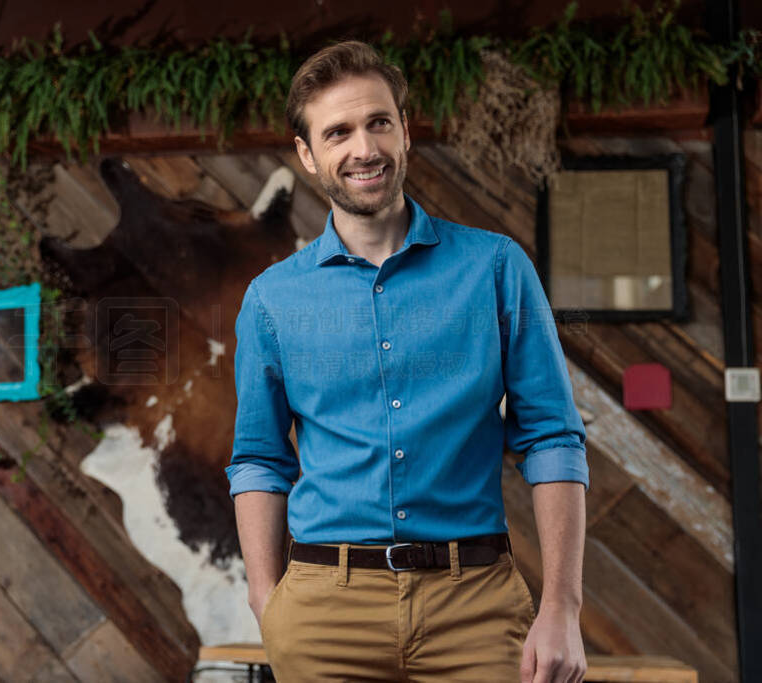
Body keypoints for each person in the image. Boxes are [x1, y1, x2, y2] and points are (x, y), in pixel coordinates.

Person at [226, 40, 589, 682]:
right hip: (322, 614)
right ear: (308, 155)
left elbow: (553, 437)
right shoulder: (272, 299)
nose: (363, 148)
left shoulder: (496, 270)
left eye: (378, 123)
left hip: (474, 603)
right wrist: (267, 599)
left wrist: (562, 605)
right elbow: (258, 458)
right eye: (337, 132)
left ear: (405, 132)